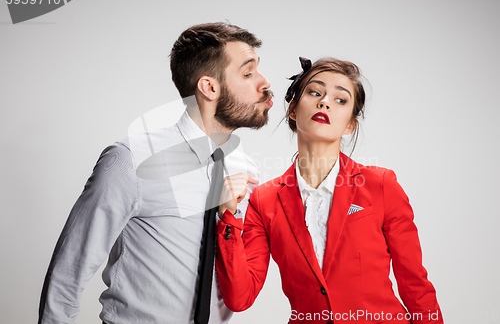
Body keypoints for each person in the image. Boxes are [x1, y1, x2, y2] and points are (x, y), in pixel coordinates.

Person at [38, 22, 273, 324]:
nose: (264, 82)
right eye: (248, 72)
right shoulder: (131, 160)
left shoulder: (246, 171)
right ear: (209, 87)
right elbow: (68, 273)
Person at [216, 57, 443, 323]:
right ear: (292, 110)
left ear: (350, 125)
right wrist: (228, 217)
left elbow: (414, 284)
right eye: (315, 92)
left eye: (340, 100)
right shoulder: (263, 200)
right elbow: (239, 298)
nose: (324, 102)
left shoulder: (381, 185)